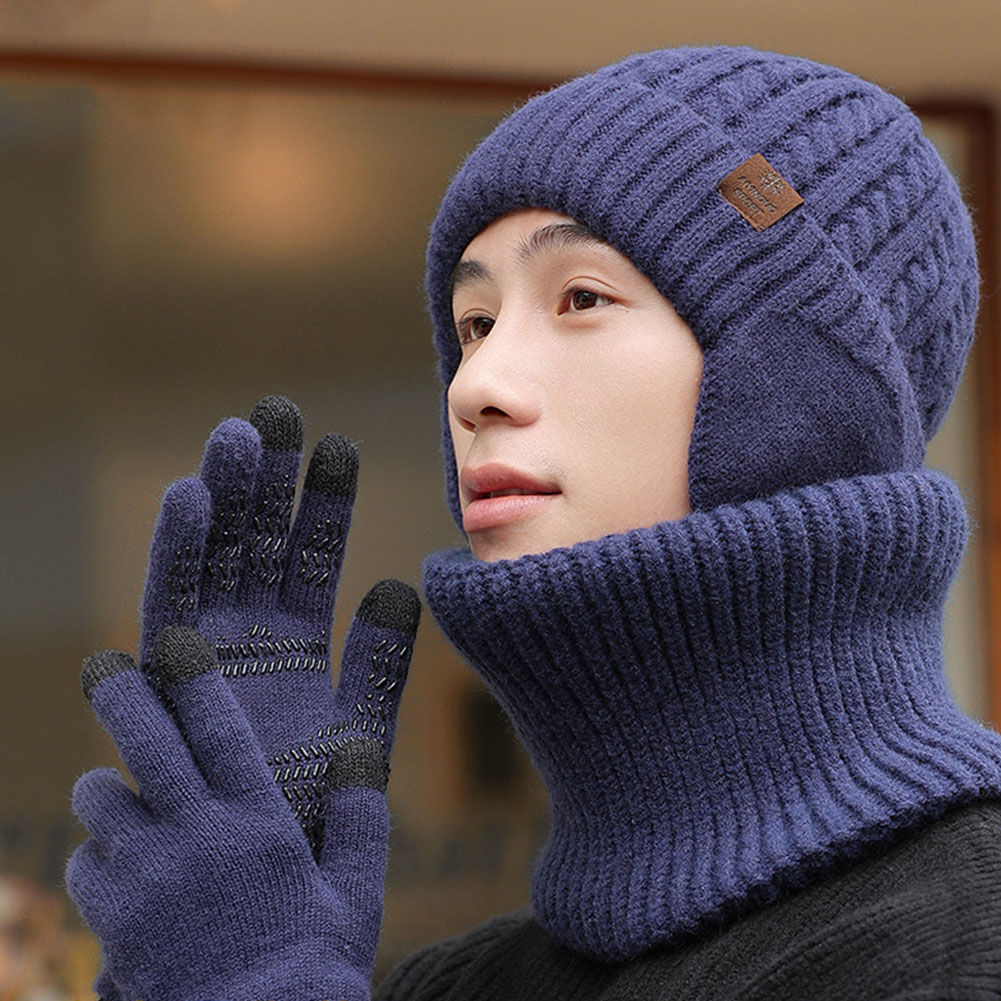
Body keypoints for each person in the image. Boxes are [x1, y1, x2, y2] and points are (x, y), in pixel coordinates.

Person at [65, 44, 1001, 1000]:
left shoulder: (962, 941)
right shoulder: (452, 987)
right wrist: (243, 934)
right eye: (474, 323)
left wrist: (258, 981)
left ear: (804, 391)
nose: (475, 383)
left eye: (581, 297)